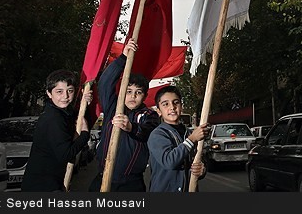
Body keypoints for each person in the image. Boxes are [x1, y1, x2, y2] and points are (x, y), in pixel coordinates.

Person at [89, 38, 160, 192]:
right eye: (128, 91)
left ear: (144, 96)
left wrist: (131, 127)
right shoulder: (113, 108)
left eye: (138, 92)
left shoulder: (150, 115)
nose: (133, 96)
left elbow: (148, 131)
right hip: (103, 179)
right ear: (122, 92)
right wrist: (123, 57)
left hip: (130, 184)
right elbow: (104, 83)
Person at [21, 69, 92, 191]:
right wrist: (85, 134)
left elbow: (76, 120)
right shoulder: (53, 118)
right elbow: (66, 154)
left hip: (47, 184)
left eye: (70, 91)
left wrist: (85, 105)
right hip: (42, 188)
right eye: (59, 91)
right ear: (49, 93)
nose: (65, 96)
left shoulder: (60, 113)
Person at [147, 85, 210, 192]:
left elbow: (199, 159)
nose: (172, 107)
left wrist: (201, 170)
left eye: (176, 102)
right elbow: (169, 161)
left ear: (181, 106)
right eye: (165, 104)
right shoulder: (157, 135)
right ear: (159, 111)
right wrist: (191, 139)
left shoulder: (189, 133)